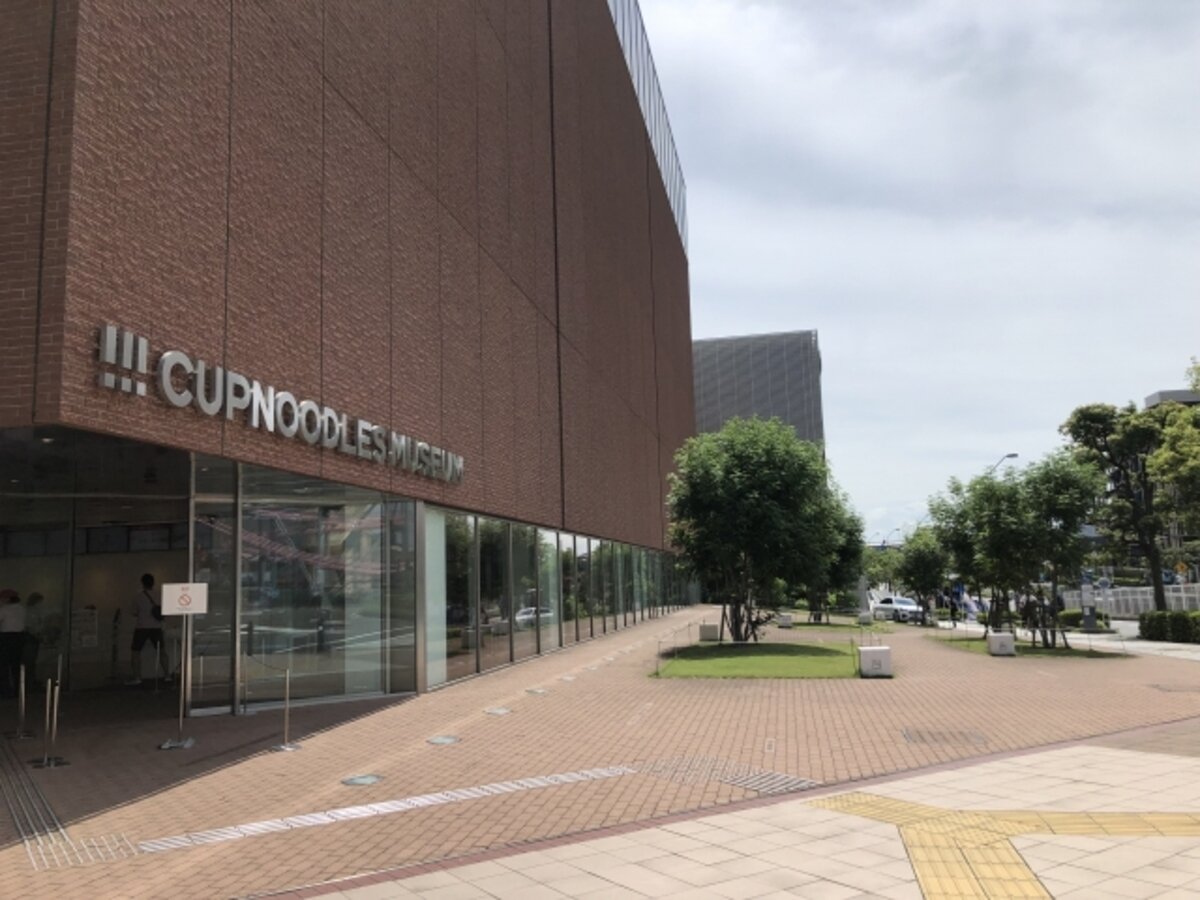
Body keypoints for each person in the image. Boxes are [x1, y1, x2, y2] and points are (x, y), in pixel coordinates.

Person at [127, 573, 169, 685]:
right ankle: (167, 675)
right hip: (156, 627)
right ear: (153, 583)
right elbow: (164, 611)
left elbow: (134, 612)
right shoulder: (159, 595)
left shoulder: (138, 597)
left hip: (142, 627)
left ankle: (137, 677)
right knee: (162, 651)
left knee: (135, 652)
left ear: (142, 583)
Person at [0, 589, 27, 697]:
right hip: (19, 637)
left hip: (6, 638)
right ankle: (18, 690)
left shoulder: (4, 609)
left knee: (4, 665)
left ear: (7, 599)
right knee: (16, 664)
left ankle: (5, 690)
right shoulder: (22, 609)